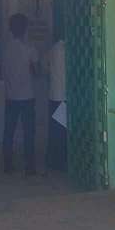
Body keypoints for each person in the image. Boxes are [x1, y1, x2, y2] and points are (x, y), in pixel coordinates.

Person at [2, 13, 38, 176]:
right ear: (25, 28)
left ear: (10, 29)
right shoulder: (30, 48)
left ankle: (7, 165)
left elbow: (2, 71)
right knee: (28, 132)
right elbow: (36, 71)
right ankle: (30, 166)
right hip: (27, 96)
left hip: (10, 96)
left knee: (8, 132)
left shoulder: (5, 48)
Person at [46, 36, 68, 172]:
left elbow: (46, 68)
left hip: (53, 95)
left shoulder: (52, 49)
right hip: (63, 96)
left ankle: (52, 160)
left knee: (55, 131)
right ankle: (60, 162)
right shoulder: (65, 50)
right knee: (61, 131)